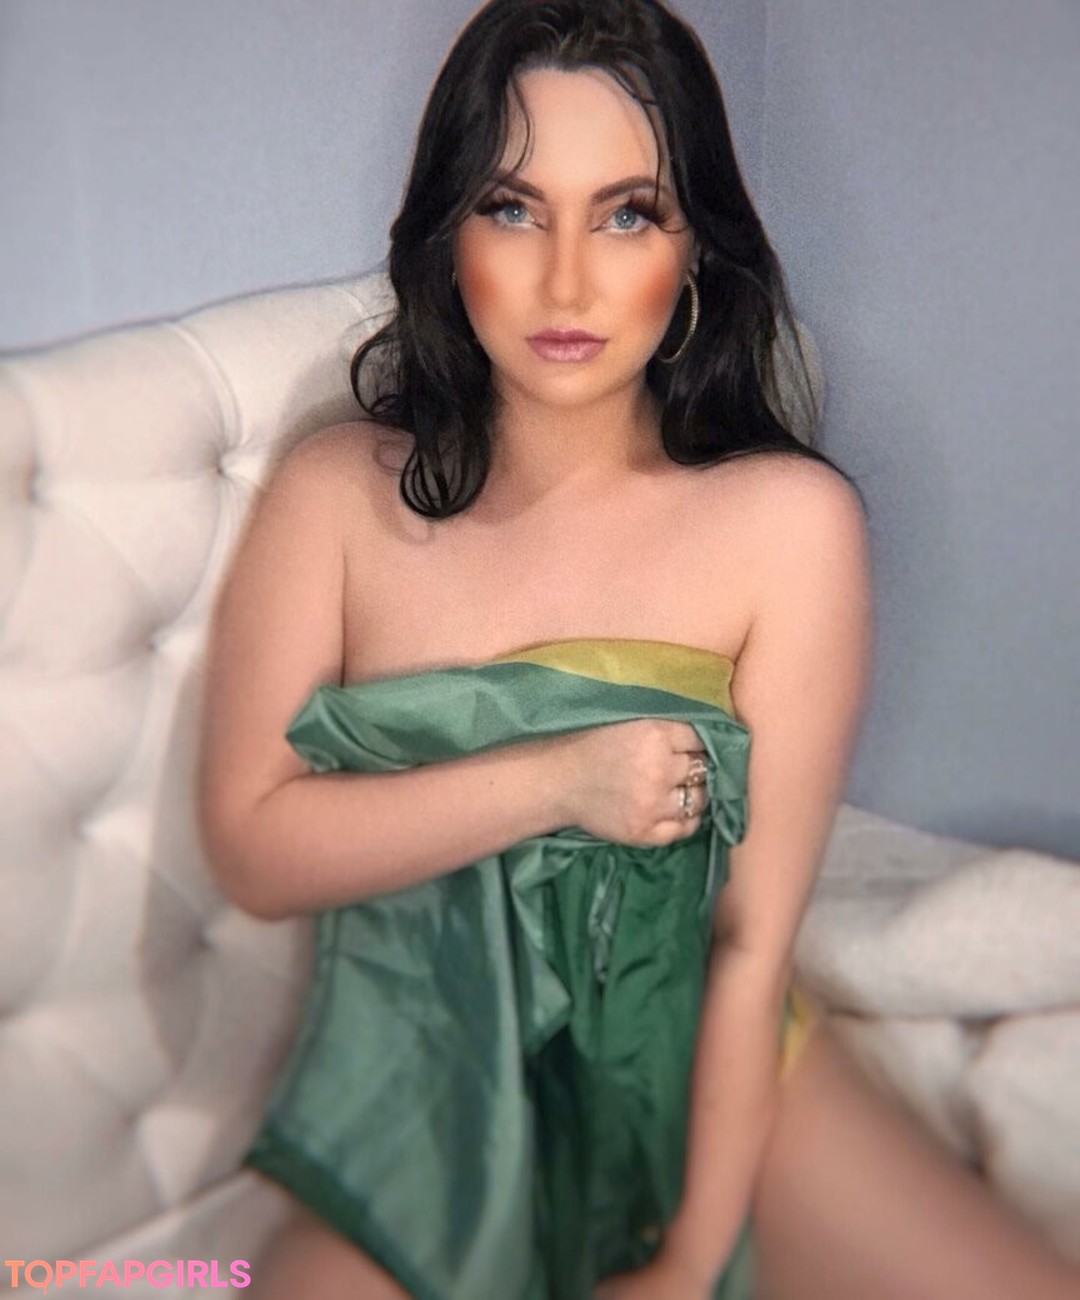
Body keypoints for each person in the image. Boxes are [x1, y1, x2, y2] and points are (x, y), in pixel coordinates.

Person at [197, 1, 1080, 1297]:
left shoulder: (789, 527)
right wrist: (557, 782)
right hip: (429, 1105)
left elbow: (747, 946)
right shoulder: (336, 496)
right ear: (446, 236)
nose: (567, 283)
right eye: (513, 208)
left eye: (626, 215)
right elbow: (255, 848)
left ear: (695, 248)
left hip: (707, 1078)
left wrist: (686, 1259)